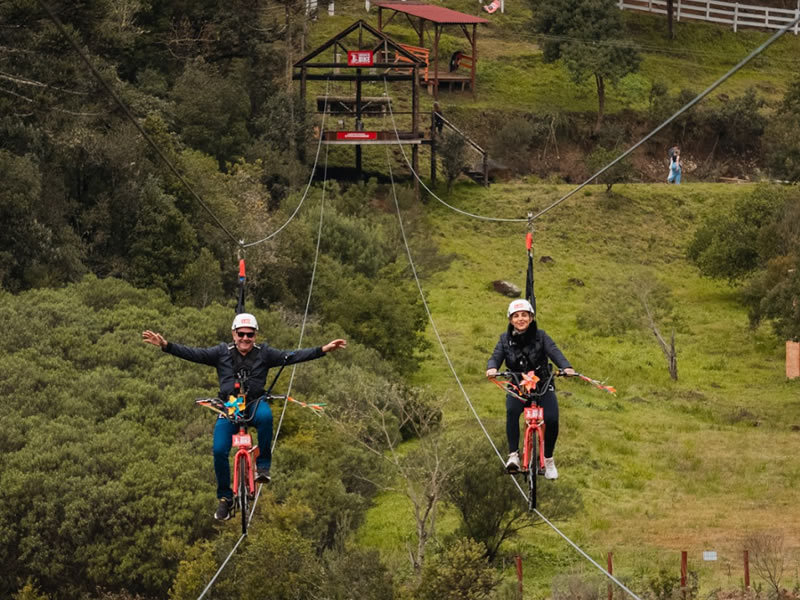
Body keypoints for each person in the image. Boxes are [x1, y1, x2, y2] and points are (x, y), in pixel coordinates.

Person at [142, 313, 347, 521]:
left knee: (266, 418)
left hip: (254, 403)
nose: (245, 338)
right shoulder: (221, 353)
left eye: (250, 334)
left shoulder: (265, 353)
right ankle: (225, 498)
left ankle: (263, 466)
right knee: (219, 450)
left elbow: (292, 356)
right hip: (229, 407)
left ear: (255, 335)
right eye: (241, 334)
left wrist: (323, 350)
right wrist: (166, 345)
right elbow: (195, 354)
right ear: (234, 334)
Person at [485, 299, 575, 478]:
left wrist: (566, 367)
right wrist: (492, 367)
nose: (520, 319)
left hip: (542, 382)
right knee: (511, 411)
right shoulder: (505, 339)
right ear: (510, 320)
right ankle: (513, 456)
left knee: (552, 418)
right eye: (516, 316)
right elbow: (496, 356)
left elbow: (554, 351)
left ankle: (548, 459)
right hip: (518, 384)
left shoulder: (541, 336)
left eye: (524, 315)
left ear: (531, 317)